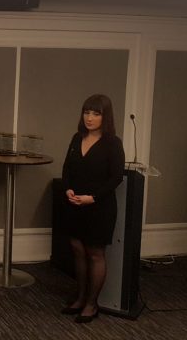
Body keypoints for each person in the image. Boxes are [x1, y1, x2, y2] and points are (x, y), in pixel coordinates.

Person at [60, 94, 125, 323]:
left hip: (100, 207)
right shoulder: (77, 138)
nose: (89, 118)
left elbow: (116, 177)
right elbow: (67, 168)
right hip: (75, 204)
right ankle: (80, 298)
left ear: (105, 117)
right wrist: (68, 189)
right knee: (77, 249)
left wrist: (93, 198)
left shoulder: (113, 143)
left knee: (95, 253)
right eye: (86, 112)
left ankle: (91, 304)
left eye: (96, 114)